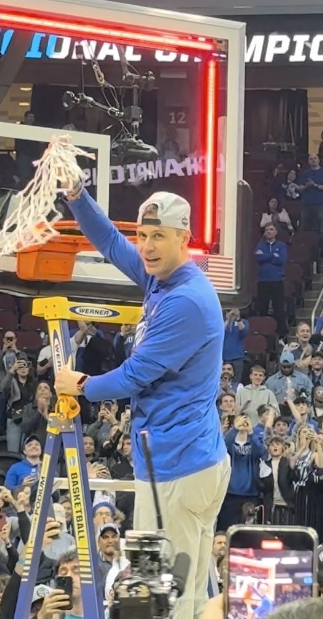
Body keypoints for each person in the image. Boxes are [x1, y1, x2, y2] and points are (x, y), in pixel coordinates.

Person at [55, 182, 230, 619]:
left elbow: (135, 375)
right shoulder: (161, 276)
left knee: (164, 594)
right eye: (144, 236)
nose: (147, 247)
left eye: (159, 237)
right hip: (178, 461)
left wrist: (80, 384)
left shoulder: (187, 301)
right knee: (171, 587)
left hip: (179, 466)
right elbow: (113, 242)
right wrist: (78, 197)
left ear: (184, 238)